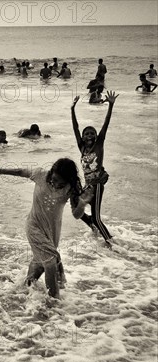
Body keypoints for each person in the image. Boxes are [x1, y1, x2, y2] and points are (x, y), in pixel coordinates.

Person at [0, 158, 92, 298]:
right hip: (34, 226)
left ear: (68, 180)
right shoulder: (41, 174)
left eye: (61, 183)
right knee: (51, 262)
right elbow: (20, 171)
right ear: (51, 172)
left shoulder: (71, 188)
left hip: (52, 231)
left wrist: (82, 204)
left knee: (40, 262)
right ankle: (53, 302)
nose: (56, 184)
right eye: (54, 179)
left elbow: (76, 215)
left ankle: (23, 291)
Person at [71, 91, 118, 248]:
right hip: (88, 186)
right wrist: (72, 109)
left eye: (92, 133)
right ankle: (91, 224)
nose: (89, 135)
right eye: (87, 133)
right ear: (83, 137)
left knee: (97, 217)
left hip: (97, 185)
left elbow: (106, 124)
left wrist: (110, 105)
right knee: (75, 207)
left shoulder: (99, 145)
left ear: (97, 136)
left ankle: (110, 242)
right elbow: (76, 128)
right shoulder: (82, 149)